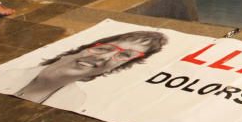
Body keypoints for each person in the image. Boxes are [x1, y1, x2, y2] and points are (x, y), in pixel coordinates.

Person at [14, 30, 167, 105]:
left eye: (125, 56)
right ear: (83, 48)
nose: (104, 57)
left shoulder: (74, 101)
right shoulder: (4, 76)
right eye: (104, 49)